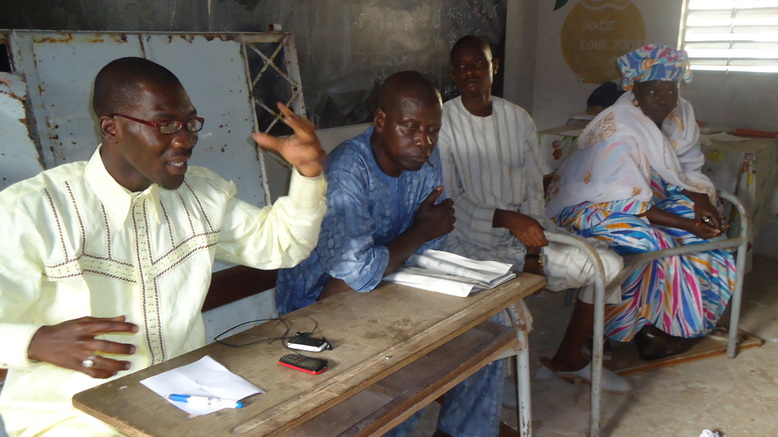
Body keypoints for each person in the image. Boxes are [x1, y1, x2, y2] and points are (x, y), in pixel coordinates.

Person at [0, 57, 327, 436]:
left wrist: (308, 173)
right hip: (72, 418)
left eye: (190, 123)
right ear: (111, 128)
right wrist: (34, 342)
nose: (185, 140)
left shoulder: (200, 196)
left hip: (182, 400)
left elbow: (281, 245)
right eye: (165, 125)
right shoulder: (33, 211)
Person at [276, 71, 505, 437]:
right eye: (411, 127)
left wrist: (418, 240)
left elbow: (429, 250)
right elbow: (354, 273)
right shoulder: (348, 170)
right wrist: (420, 231)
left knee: (486, 335)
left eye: (432, 130)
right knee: (408, 368)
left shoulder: (425, 160)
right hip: (317, 304)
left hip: (389, 283)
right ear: (381, 121)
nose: (424, 141)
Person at [437, 35, 629, 393]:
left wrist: (532, 250)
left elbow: (532, 191)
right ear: (453, 75)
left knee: (608, 265)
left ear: (494, 67)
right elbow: (451, 200)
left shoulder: (518, 119)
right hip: (470, 242)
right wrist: (507, 219)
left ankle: (569, 357)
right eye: (461, 66)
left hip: (528, 236)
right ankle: (498, 388)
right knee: (511, 313)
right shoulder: (443, 122)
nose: (470, 72)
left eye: (478, 63)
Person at [546, 44, 736, 362]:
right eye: (653, 91)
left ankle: (664, 327)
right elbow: (628, 203)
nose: (663, 99)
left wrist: (701, 202)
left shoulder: (681, 113)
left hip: (647, 197)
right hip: (591, 207)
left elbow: (686, 167)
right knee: (650, 242)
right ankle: (612, 327)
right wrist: (688, 223)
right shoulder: (619, 128)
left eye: (671, 91)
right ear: (635, 90)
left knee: (705, 237)